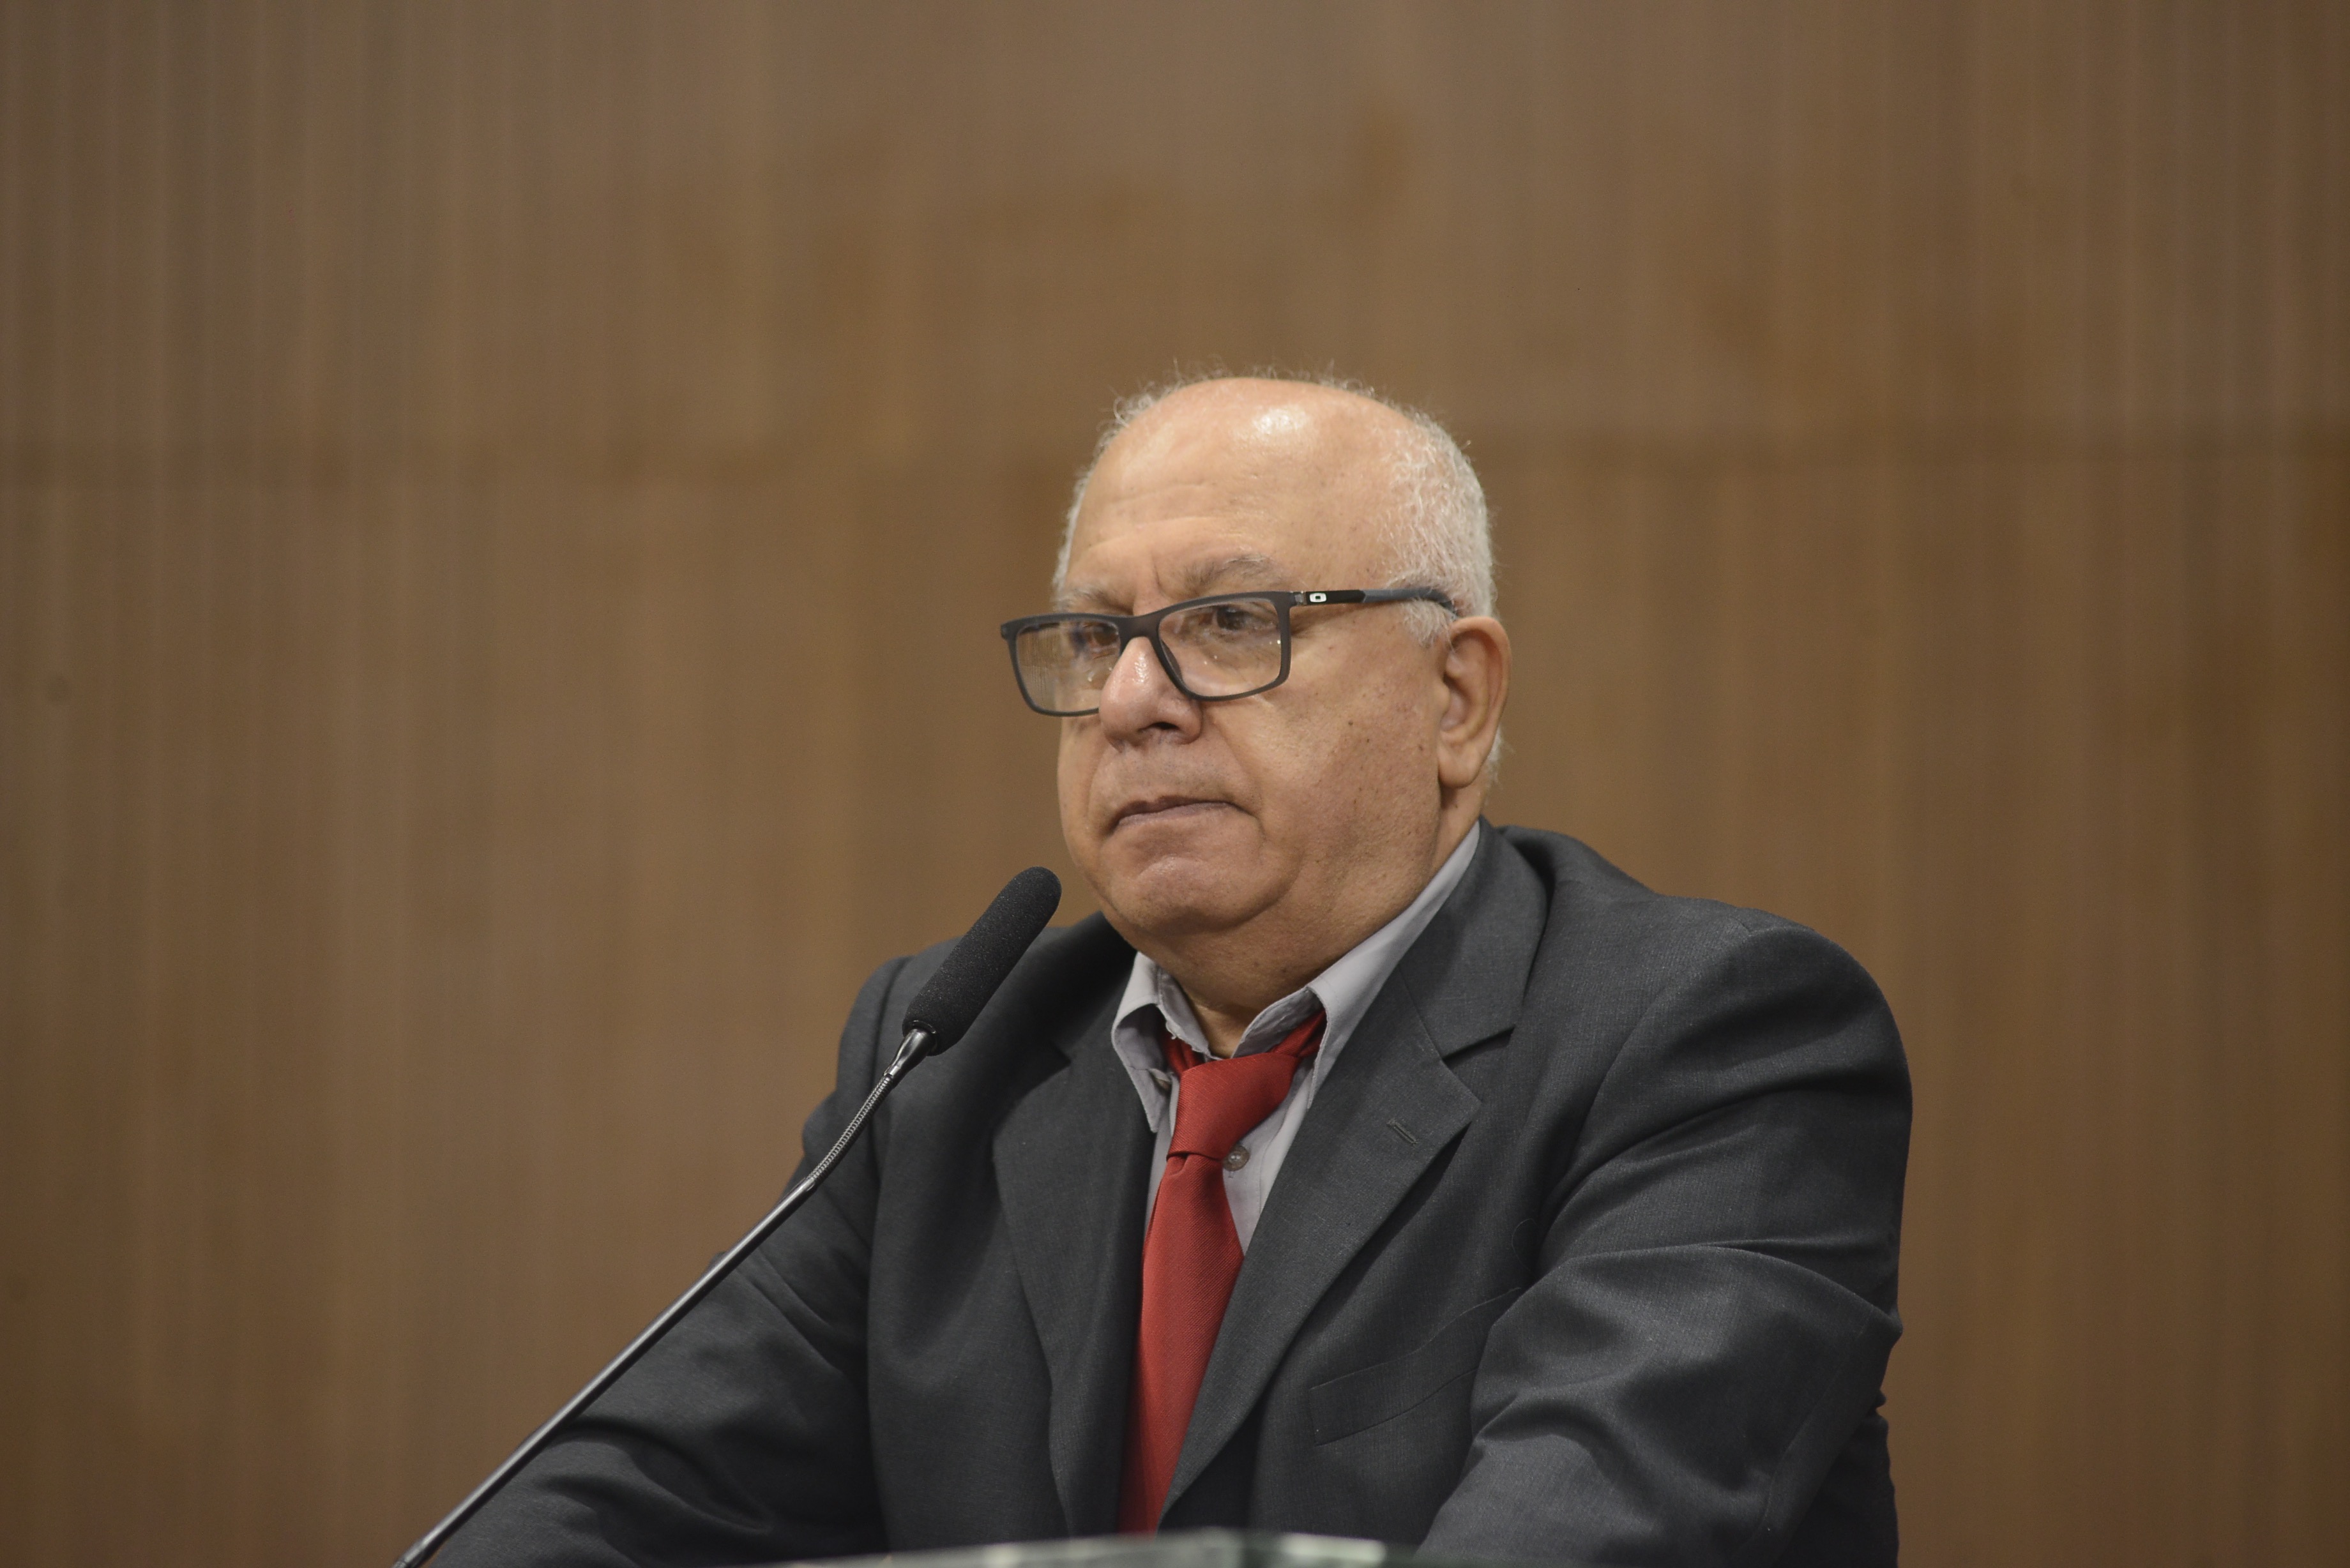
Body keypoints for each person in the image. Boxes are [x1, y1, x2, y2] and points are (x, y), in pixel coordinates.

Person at [440, 376, 1909, 1567]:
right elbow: (637, 1495)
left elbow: (1591, 1523)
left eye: (1228, 623)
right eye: (1097, 638)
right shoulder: (949, 1058)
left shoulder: (1708, 1040)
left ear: (1456, 698)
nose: (1134, 700)